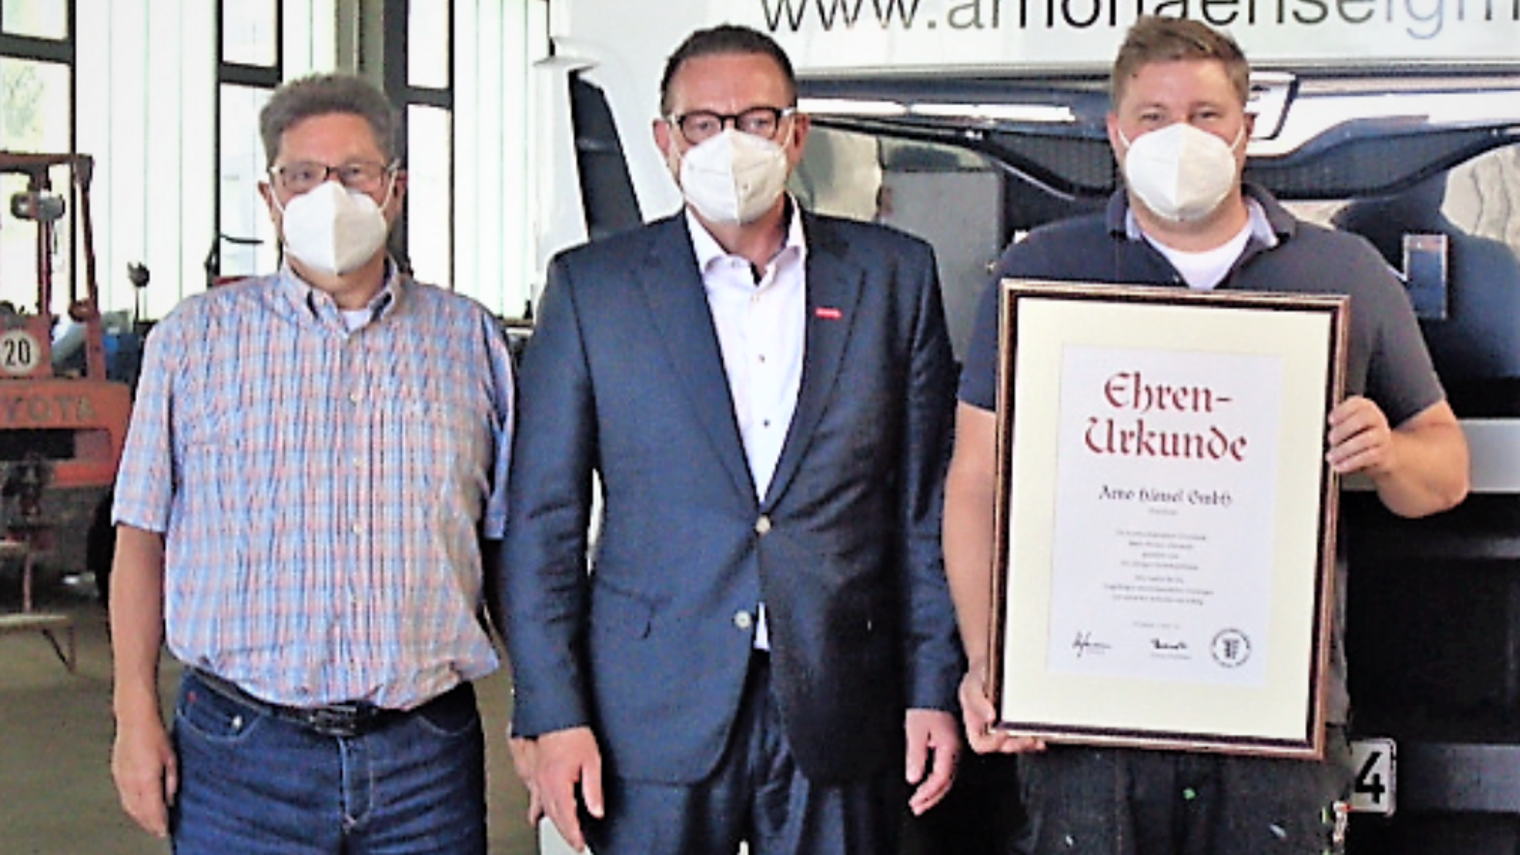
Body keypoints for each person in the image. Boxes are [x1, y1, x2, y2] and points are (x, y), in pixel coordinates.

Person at [944, 16, 1471, 855]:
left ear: (1247, 130)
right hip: (1085, 710)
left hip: (1274, 717)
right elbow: (976, 480)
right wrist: (987, 660)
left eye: (1206, 114)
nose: (1178, 135)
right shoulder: (1038, 271)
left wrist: (1390, 453)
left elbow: (1443, 475)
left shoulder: (1343, 273)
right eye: (1152, 117)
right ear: (1116, 135)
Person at [500, 23, 963, 855]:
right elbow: (543, 522)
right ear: (665, 143)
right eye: (703, 125)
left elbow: (922, 512)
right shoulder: (593, 289)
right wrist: (550, 709)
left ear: (796, 133)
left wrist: (934, 686)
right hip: (648, 708)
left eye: (755, 120)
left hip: (838, 694)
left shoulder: (895, 277)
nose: (729, 143)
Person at [108, 73, 514, 854]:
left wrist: (545, 709)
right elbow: (141, 537)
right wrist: (134, 712)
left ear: (393, 189)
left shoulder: (471, 342)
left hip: (424, 756)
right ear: (271, 197)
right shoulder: (193, 344)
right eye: (303, 175)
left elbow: (509, 547)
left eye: (355, 172)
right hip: (240, 753)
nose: (331, 193)